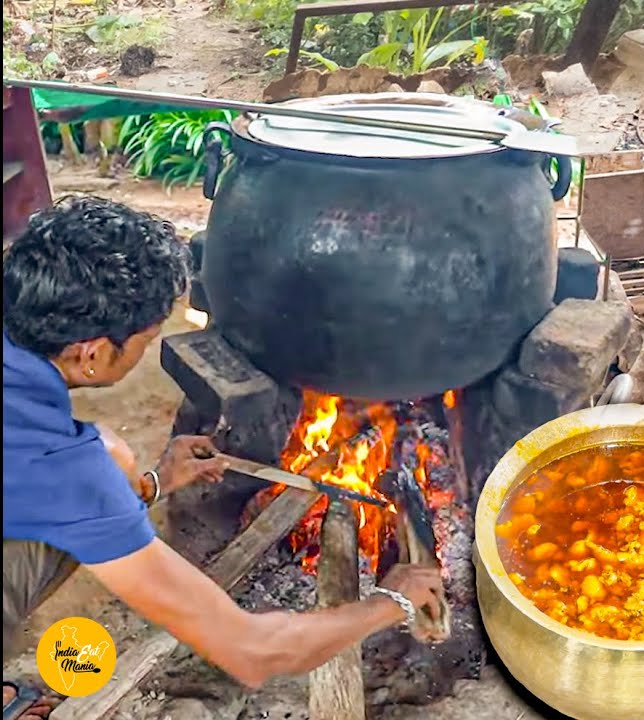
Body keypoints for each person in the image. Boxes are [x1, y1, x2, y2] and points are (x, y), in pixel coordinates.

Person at [2, 196, 445, 712]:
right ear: (93, 354)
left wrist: (151, 485)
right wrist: (389, 601)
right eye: (147, 340)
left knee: (111, 455)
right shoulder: (66, 470)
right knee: (102, 463)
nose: (151, 346)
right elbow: (252, 652)